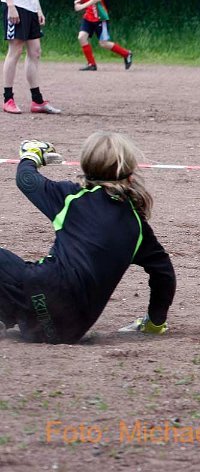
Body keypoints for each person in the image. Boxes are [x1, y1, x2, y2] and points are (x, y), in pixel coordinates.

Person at [0, 132, 176, 343]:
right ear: (130, 175)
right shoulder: (138, 227)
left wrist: (31, 155)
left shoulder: (71, 197)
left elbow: (26, 180)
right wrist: (155, 322)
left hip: (37, 295)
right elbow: (164, 275)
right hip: (67, 331)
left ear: (85, 168)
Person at [72, 0, 134, 71]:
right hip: (89, 16)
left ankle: (126, 54)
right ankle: (92, 64)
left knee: (103, 43)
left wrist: (81, 7)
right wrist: (78, 1)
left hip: (100, 16)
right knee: (81, 37)